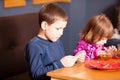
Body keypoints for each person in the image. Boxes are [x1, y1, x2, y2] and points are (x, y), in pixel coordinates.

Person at [24, 3, 77, 80]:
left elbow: (61, 67)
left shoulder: (57, 41)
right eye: (58, 29)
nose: (61, 33)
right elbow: (36, 74)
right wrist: (61, 63)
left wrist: (74, 61)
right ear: (44, 25)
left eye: (63, 29)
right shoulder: (34, 45)